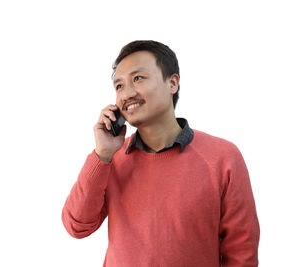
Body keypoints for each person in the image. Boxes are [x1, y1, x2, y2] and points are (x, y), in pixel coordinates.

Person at [61, 40, 260, 267]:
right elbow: (77, 226)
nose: (127, 93)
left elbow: (242, 252)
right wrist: (102, 155)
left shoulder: (223, 157)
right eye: (119, 86)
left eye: (138, 78)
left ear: (172, 83)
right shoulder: (112, 159)